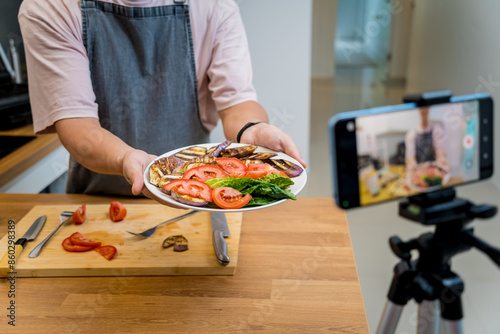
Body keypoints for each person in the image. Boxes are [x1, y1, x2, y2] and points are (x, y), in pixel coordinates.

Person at [18, 0, 306, 200]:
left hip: (198, 199)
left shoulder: (215, 8)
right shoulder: (49, 9)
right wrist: (125, 159)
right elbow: (78, 127)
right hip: (101, 206)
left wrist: (251, 130)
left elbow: (236, 102)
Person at [405, 106, 449, 183]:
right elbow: (410, 158)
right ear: (418, 109)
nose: (424, 110)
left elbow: (440, 154)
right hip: (419, 174)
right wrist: (412, 167)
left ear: (429, 108)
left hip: (435, 171)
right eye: (421, 107)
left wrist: (442, 161)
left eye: (426, 107)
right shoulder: (411, 134)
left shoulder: (437, 131)